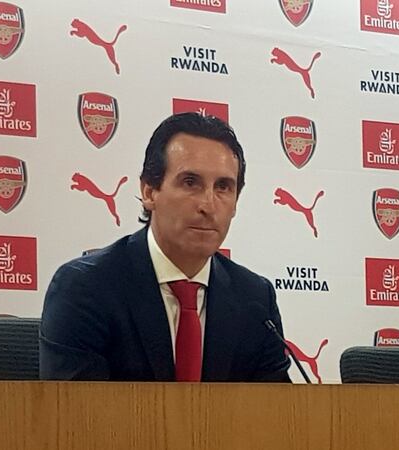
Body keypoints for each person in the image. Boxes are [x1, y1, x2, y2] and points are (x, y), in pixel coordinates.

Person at [40, 113, 291, 382]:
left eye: (223, 187)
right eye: (190, 183)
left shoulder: (254, 299)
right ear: (149, 191)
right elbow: (76, 415)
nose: (208, 205)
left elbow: (274, 415)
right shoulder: (86, 288)